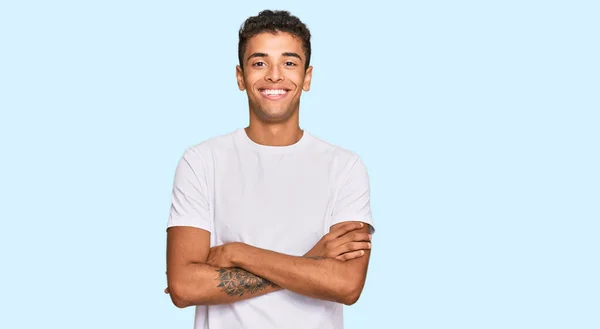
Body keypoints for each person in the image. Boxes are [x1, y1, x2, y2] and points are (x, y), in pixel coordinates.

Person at [165, 9, 375, 329]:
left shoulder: (345, 167)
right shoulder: (202, 161)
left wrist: (238, 253)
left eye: (289, 63)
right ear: (240, 76)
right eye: (259, 62)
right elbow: (183, 287)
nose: (274, 75)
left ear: (307, 77)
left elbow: (346, 285)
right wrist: (311, 262)